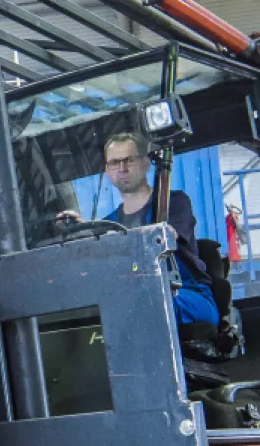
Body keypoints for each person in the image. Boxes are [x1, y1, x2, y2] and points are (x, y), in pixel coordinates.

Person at [70, 130, 221, 329]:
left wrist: (111, 240)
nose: (122, 168)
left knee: (149, 302)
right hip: (137, 297)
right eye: (114, 163)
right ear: (107, 170)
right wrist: (82, 232)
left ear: (146, 163)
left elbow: (162, 236)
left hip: (187, 294)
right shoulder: (109, 223)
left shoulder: (173, 203)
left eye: (129, 160)